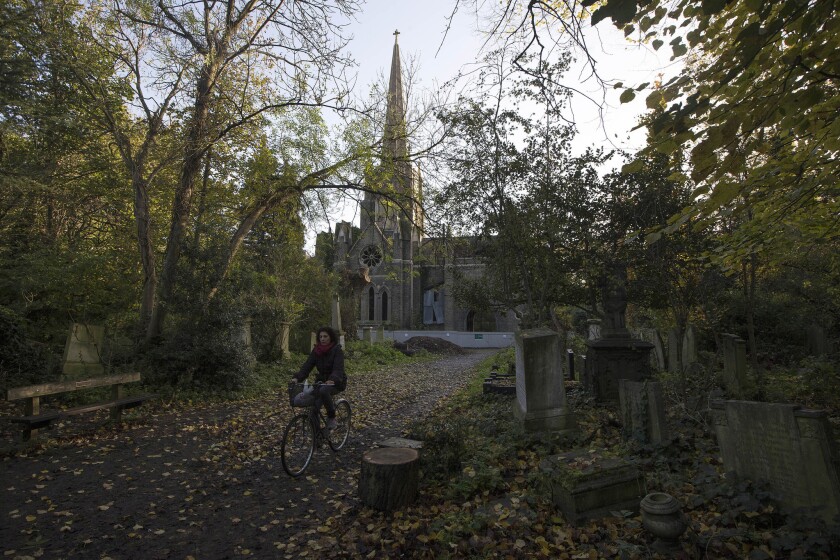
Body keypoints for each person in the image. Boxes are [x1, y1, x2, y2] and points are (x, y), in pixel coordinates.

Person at [292, 326, 346, 429]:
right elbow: (307, 366)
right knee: (314, 409)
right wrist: (297, 378)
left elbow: (338, 369)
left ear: (331, 337)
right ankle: (317, 439)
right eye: (320, 337)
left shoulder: (337, 350)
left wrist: (332, 379)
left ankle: (331, 417)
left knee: (324, 391)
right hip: (321, 382)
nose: (322, 339)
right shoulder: (316, 351)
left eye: (325, 336)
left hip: (336, 381)